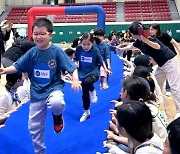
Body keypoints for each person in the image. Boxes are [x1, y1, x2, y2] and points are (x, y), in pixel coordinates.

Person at [0, 18, 81, 154]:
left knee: (57, 103)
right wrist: (4, 71)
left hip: (54, 88)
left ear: (50, 35)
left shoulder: (56, 51)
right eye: (35, 34)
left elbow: (72, 68)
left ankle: (57, 117)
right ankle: (39, 151)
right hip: (37, 93)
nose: (38, 36)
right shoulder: (32, 53)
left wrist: (75, 79)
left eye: (42, 33)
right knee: (34, 127)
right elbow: (17, 66)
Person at [117, 21, 180, 119]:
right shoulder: (139, 41)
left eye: (132, 33)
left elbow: (158, 46)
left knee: (175, 87)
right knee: (155, 85)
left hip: (170, 61)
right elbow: (131, 46)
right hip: (161, 64)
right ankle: (160, 106)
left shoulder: (148, 37)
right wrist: (121, 49)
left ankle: (179, 111)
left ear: (135, 33)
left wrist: (146, 41)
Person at [73, 32, 111, 122]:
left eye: (88, 44)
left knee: (87, 83)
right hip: (82, 73)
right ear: (81, 43)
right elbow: (75, 59)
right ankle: (86, 111)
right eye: (84, 44)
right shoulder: (79, 49)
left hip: (94, 73)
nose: (86, 47)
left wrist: (106, 69)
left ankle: (93, 90)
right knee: (84, 93)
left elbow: (101, 60)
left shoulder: (95, 50)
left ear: (92, 43)